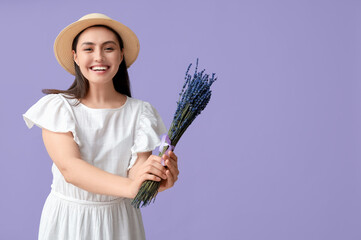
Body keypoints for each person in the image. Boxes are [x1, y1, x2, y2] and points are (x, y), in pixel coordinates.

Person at [22, 13, 179, 240]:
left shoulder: (140, 113)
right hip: (70, 220)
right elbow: (70, 169)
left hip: (121, 221)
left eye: (108, 48)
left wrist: (156, 179)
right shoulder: (58, 108)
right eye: (88, 49)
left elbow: (137, 173)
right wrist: (131, 187)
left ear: (121, 55)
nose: (99, 57)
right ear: (75, 56)